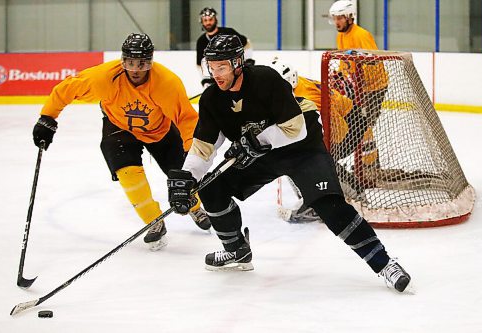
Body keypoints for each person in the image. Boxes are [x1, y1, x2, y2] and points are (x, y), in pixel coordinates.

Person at [166, 34, 411, 293]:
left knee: (328, 205)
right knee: (210, 186)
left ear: (238, 63)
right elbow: (204, 147)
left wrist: (256, 140)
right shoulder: (212, 99)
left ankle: (384, 264)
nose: (216, 74)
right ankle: (236, 251)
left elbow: (295, 129)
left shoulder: (265, 80)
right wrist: (187, 177)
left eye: (222, 67)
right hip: (262, 156)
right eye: (211, 67)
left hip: (301, 149)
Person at [32, 33, 211, 251]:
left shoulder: (167, 83)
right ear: (123, 61)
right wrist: (47, 118)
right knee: (128, 173)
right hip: (119, 127)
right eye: (130, 62)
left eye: (142, 63)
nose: (136, 69)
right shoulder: (104, 78)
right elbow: (67, 89)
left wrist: (188, 150)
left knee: (182, 174)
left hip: (160, 130)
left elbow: (186, 118)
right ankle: (154, 221)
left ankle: (196, 207)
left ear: (151, 62)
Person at [269, 57, 364, 223]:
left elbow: (337, 128)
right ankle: (346, 191)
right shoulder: (294, 85)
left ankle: (335, 197)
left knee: (312, 159)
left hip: (349, 123)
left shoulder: (305, 98)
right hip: (346, 116)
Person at [327, 0, 388, 170]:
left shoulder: (361, 35)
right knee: (359, 124)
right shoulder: (341, 36)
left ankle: (370, 164)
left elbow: (374, 62)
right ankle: (367, 162)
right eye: (335, 18)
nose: (337, 22)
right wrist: (341, 76)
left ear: (349, 17)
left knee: (364, 125)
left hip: (374, 87)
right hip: (356, 87)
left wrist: (357, 81)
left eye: (340, 18)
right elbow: (344, 62)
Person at [196, 7, 253, 88]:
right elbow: (200, 64)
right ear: (201, 22)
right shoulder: (201, 41)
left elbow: (246, 43)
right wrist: (206, 80)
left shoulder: (228, 33)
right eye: (205, 20)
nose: (208, 22)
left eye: (210, 19)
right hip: (217, 77)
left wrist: (247, 61)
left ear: (215, 19)